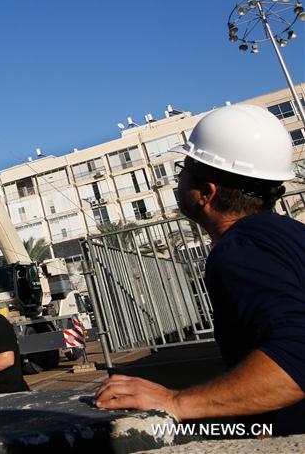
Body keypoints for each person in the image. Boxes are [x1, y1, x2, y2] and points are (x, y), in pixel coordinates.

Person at [95, 104, 305, 435]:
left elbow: (296, 360)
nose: (177, 180)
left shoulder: (239, 252)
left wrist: (176, 402)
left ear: (206, 192)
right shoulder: (290, 235)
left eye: (183, 169)